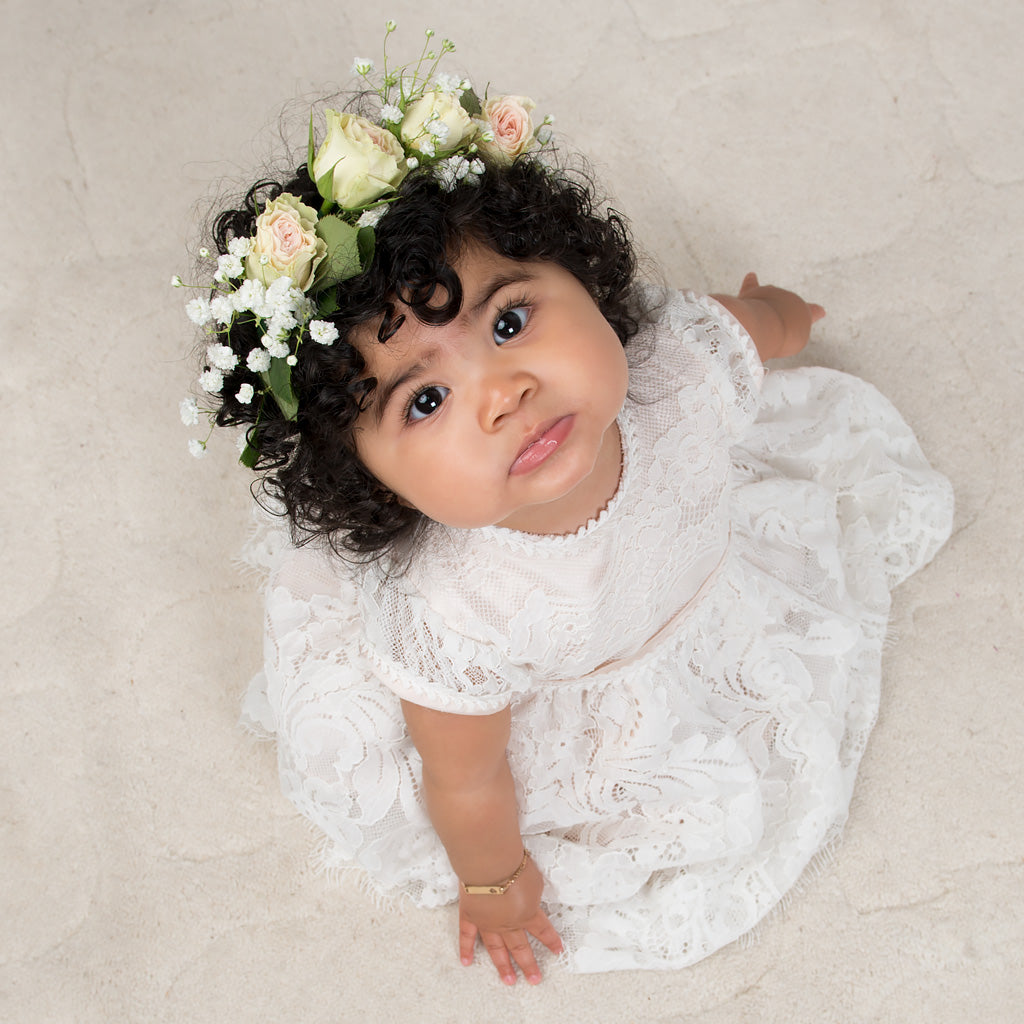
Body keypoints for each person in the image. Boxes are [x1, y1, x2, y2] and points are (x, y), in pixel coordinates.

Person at [176, 30, 953, 984]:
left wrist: (780, 314)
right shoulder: (453, 611)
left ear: (583, 277)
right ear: (371, 480)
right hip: (575, 677)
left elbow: (745, 327)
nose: (502, 393)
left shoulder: (682, 374)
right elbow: (465, 777)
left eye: (508, 322)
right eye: (425, 401)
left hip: (698, 583)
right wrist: (495, 879)